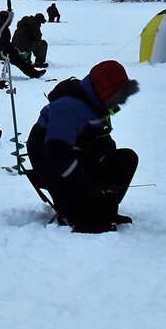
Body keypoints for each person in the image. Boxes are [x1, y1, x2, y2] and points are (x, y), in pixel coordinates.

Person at [25, 60, 140, 234]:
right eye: (117, 96)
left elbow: (104, 141)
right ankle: (74, 214)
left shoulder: (97, 104)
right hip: (50, 158)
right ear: (106, 92)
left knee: (126, 159)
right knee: (82, 206)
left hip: (77, 154)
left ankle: (103, 210)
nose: (118, 104)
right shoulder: (69, 107)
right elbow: (56, 154)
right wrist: (90, 183)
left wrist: (107, 180)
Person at [0, 10, 45, 78]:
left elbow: (3, 42)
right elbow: (6, 43)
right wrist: (14, 50)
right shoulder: (3, 28)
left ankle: (33, 72)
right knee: (18, 59)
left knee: (17, 57)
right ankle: (33, 73)